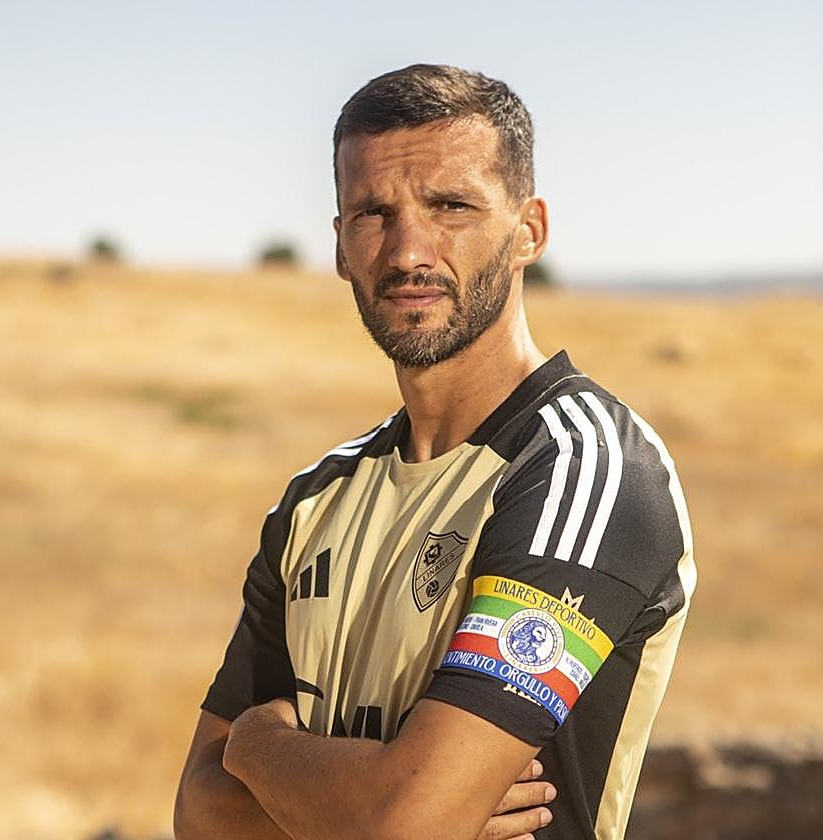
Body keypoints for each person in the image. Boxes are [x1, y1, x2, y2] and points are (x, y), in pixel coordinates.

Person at [173, 64, 695, 840]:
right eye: (371, 213)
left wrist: (260, 748)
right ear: (341, 247)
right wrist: (384, 799)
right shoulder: (315, 497)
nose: (408, 250)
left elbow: (404, 821)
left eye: (450, 205)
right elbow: (201, 816)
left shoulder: (584, 471)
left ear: (528, 230)